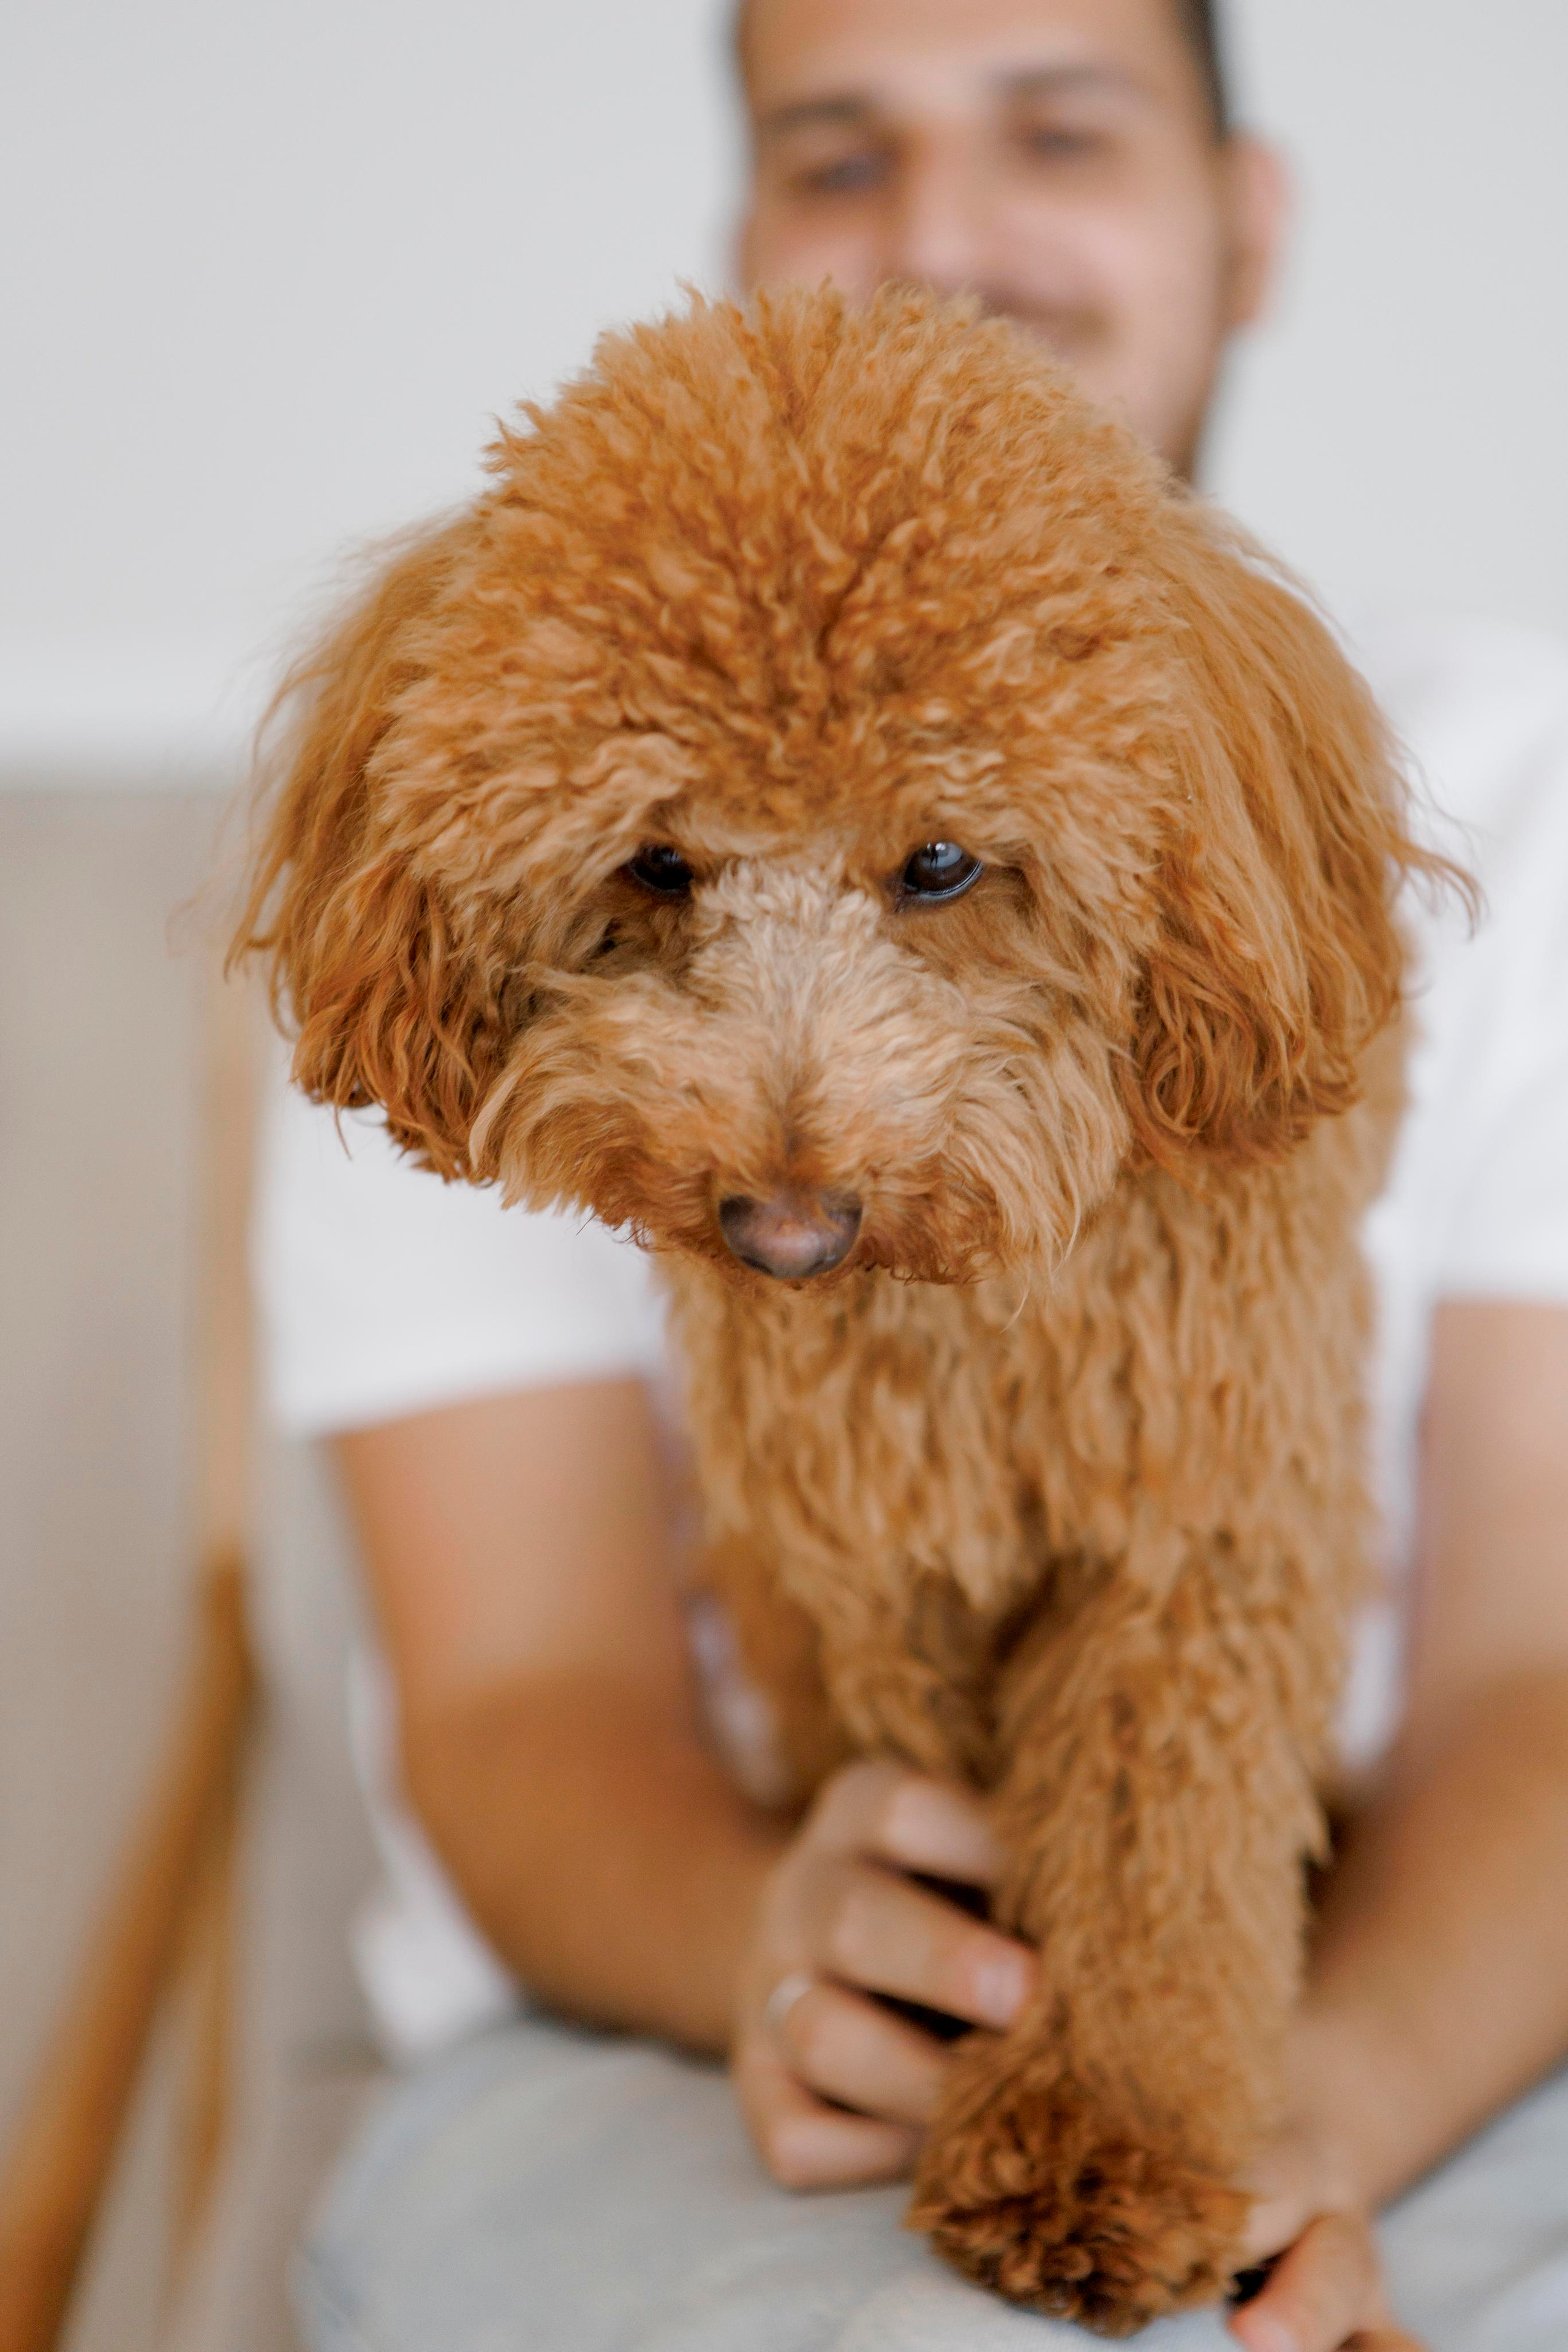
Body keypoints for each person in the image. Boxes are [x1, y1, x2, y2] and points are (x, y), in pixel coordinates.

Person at [257, 2, 1568, 2346]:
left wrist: (1307, 2116)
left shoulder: (1526, 793)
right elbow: (512, 1693)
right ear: (742, 224)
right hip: (645, 2031)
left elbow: (1548, 1673)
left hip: (1437, 2002)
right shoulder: (506, 775)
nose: (944, 234)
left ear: (1244, 222)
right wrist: (762, 1945)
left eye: (1056, 133)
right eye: (838, 154)